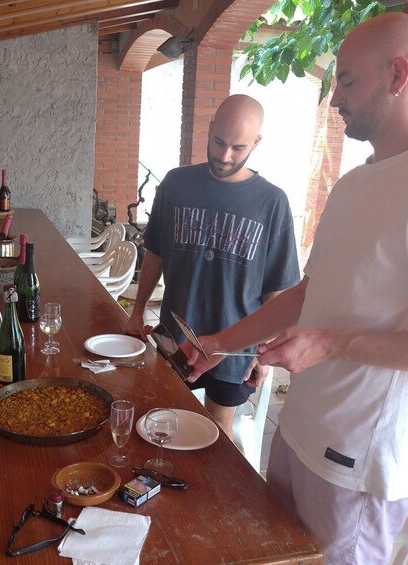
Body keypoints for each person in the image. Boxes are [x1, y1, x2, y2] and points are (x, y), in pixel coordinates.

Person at [183, 12, 408, 564]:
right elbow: (310, 293)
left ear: (399, 75)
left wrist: (330, 344)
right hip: (301, 429)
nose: (335, 99)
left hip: (360, 461)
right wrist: (218, 343)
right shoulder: (355, 183)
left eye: (348, 81)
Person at [124, 93, 301, 437]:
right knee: (163, 426)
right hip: (175, 335)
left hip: (235, 347)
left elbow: (276, 292)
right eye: (219, 142)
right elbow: (155, 253)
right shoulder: (176, 184)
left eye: (238, 148)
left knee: (218, 433)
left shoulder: (272, 203)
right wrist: (136, 311)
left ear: (257, 143)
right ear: (209, 129)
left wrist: (261, 353)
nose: (224, 156)